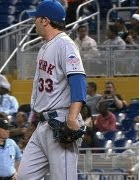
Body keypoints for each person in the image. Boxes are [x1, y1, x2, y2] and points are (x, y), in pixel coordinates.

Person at [18, 1, 87, 179]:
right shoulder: (44, 47)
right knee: (24, 176)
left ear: (45, 20)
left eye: (36, 18)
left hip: (61, 120)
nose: (34, 22)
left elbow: (78, 80)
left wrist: (72, 117)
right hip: (43, 123)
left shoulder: (65, 45)